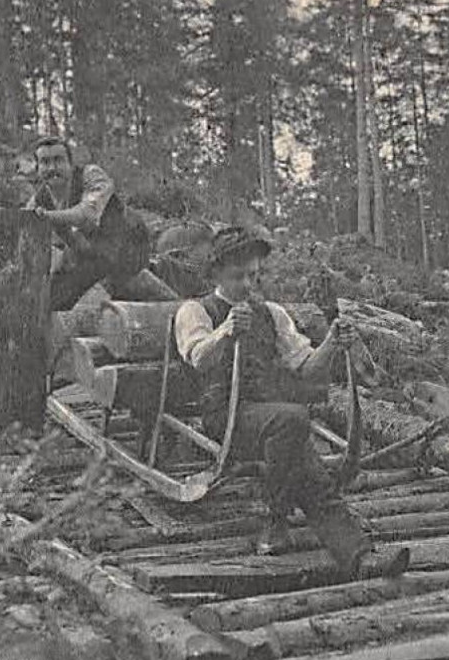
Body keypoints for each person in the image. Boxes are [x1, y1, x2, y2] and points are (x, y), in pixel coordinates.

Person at [173, 227, 408, 580]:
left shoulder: (272, 314)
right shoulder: (195, 311)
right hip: (227, 416)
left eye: (253, 275)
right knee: (293, 422)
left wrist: (331, 343)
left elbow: (307, 367)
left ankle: (361, 558)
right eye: (239, 277)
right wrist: (226, 331)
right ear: (216, 274)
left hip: (275, 419)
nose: (248, 285)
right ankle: (275, 518)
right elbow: (197, 358)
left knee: (311, 474)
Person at [23, 137, 154, 310]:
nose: (52, 168)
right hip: (87, 256)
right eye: (45, 162)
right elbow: (25, 227)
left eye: (58, 160)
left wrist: (47, 217)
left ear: (70, 164)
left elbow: (88, 213)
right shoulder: (39, 199)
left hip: (126, 248)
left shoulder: (91, 175)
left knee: (118, 288)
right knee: (49, 297)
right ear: (38, 168)